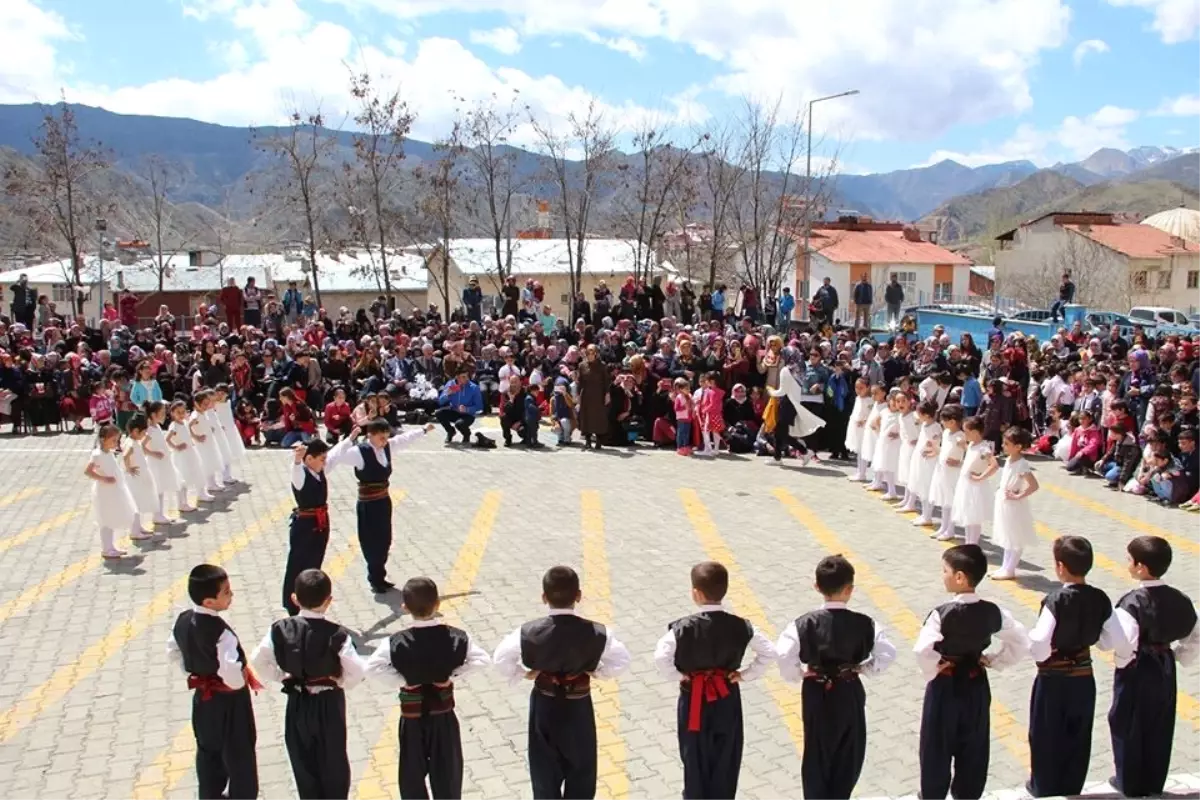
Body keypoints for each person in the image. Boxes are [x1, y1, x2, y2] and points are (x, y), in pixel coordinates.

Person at [492, 566, 632, 800]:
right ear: (578, 595)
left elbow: (500, 659)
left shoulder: (528, 632)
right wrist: (597, 672)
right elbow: (622, 660)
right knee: (582, 770)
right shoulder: (597, 632)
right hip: (578, 704)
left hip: (544, 703)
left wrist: (523, 673)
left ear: (544, 597)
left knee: (544, 771)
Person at [914, 544, 1030, 800]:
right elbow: (1021, 641)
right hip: (976, 683)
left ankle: (933, 794)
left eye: (945, 570)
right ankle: (968, 794)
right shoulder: (993, 611)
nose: (942, 575)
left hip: (945, 685)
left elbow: (922, 649)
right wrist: (995, 661)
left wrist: (934, 666)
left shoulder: (941, 614)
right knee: (974, 745)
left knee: (936, 746)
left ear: (959, 577)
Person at [653, 561, 777, 800]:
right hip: (727, 696)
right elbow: (769, 652)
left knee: (694, 757)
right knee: (726, 756)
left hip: (693, 698)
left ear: (696, 593)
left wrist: (680, 676)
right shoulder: (742, 625)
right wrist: (745, 674)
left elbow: (661, 656)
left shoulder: (682, 628)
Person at [776, 555, 896, 800]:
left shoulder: (802, 624)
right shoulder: (866, 623)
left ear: (817, 587)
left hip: (816, 690)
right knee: (849, 749)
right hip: (848, 687)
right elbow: (887, 653)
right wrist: (864, 669)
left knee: (817, 751)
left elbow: (784, 656)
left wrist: (799, 674)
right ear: (850, 589)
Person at [365, 577, 491, 800]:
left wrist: (403, 680)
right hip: (443, 714)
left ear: (404, 608)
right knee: (448, 773)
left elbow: (373, 667)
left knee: (411, 775)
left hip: (412, 717)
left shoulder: (395, 641)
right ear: (438, 605)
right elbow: (482, 660)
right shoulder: (456, 636)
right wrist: (452, 675)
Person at [1025, 536, 1130, 797]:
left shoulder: (1056, 599)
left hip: (1053, 677)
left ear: (1060, 566)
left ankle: (1044, 786)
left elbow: (1040, 641)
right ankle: (1072, 784)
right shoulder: (1100, 598)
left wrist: (1042, 656)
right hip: (1084, 675)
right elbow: (1116, 640)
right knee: (1078, 732)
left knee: (1045, 733)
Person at [250, 568, 366, 800]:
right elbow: (357, 670)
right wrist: (341, 681)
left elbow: (258, 659)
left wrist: (281, 676)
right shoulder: (337, 634)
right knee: (333, 759)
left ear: (294, 598)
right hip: (328, 702)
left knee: (302, 759)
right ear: (328, 601)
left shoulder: (279, 629)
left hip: (298, 701)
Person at [1107, 535, 1200, 798]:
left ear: (1141, 567)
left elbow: (1125, 642)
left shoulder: (1131, 602)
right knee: (1160, 722)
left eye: (1129, 559)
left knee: (1127, 721)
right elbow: (1196, 636)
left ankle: (1130, 781)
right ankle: (1154, 780)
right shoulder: (1180, 599)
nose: (1127, 563)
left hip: (1138, 667)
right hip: (1165, 666)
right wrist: (1180, 656)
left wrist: (1122, 664)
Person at [168, 564, 261, 800]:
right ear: (209, 601)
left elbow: (173, 650)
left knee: (208, 751)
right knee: (240, 754)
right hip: (230, 701)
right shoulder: (221, 632)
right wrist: (238, 682)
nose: (232, 595)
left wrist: (196, 673)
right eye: (227, 592)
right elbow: (230, 669)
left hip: (203, 698)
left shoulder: (182, 620)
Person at [325, 419, 435, 593]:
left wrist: (423, 430)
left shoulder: (387, 447)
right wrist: (348, 440)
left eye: (386, 437)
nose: (385, 441)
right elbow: (335, 456)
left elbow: (404, 439)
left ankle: (380, 575)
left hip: (383, 501)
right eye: (381, 438)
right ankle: (374, 577)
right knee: (370, 541)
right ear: (370, 435)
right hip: (368, 504)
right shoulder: (359, 452)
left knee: (385, 539)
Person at [279, 440, 334, 615]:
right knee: (298, 564)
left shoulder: (318, 471)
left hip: (320, 524)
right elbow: (295, 471)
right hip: (305, 526)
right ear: (309, 459)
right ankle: (292, 604)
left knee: (315, 563)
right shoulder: (301, 474)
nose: (325, 462)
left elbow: (337, 455)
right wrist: (296, 460)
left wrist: (351, 437)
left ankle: (312, 600)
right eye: (322, 459)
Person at [83, 423, 143, 558]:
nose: (116, 443)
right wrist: (103, 478)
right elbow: (88, 471)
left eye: (117, 440)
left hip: (113, 491)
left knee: (111, 518)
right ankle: (106, 548)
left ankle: (111, 546)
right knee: (105, 520)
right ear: (103, 439)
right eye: (113, 440)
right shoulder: (97, 454)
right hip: (104, 492)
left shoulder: (109, 453)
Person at [990, 427, 1039, 580]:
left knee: (1015, 537)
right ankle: (1005, 567)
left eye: (1006, 444)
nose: (1003, 446)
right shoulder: (1010, 460)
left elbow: (1034, 485)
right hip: (1004, 502)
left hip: (1014, 505)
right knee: (1007, 535)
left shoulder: (1022, 464)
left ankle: (1010, 569)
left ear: (1018, 447)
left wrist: (1019, 496)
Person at [950, 416, 996, 547]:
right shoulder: (971, 445)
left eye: (967, 432)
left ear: (975, 432)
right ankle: (968, 543)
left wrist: (981, 477)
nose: (965, 434)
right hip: (965, 484)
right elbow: (971, 455)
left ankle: (973, 544)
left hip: (975, 486)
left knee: (974, 516)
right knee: (967, 515)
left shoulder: (983, 448)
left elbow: (994, 465)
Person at [928, 405, 966, 540]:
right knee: (944, 501)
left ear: (952, 422)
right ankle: (943, 527)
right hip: (942, 470)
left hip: (953, 473)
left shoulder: (961, 437)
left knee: (951, 501)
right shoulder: (945, 433)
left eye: (944, 421)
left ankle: (950, 529)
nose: (942, 423)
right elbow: (943, 450)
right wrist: (933, 449)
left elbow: (970, 453)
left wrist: (959, 463)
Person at [142, 401, 184, 521]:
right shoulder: (150, 429)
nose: (164, 415)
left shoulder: (157, 426)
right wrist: (153, 453)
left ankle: (160, 513)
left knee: (161, 489)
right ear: (154, 415)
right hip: (155, 463)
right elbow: (142, 447)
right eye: (162, 413)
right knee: (158, 489)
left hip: (162, 462)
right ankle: (157, 515)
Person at [435, 367, 483, 445]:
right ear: (457, 377)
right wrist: (447, 394)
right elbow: (440, 402)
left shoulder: (474, 387)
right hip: (454, 411)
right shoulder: (450, 384)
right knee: (438, 413)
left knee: (459, 424)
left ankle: (466, 434)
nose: (466, 379)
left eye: (467, 376)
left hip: (468, 415)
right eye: (463, 377)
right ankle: (450, 431)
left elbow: (479, 406)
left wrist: (467, 409)